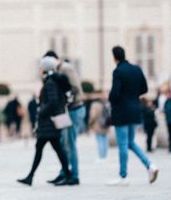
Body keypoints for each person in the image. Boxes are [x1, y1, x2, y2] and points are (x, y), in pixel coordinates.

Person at [17, 57, 74, 187]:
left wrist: (41, 111)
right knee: (52, 149)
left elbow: (52, 102)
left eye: (41, 66)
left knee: (49, 149)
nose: (39, 69)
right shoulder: (52, 80)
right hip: (49, 123)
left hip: (48, 122)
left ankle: (31, 176)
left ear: (46, 68)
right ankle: (32, 176)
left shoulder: (50, 82)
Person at [106, 46, 158, 186]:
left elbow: (115, 93)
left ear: (114, 57)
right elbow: (145, 89)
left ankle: (123, 176)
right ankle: (150, 165)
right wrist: (132, 95)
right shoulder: (136, 69)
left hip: (121, 112)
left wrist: (111, 97)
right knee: (130, 142)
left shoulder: (118, 71)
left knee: (123, 144)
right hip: (135, 109)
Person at [44, 51, 86, 186]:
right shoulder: (58, 71)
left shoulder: (66, 68)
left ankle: (74, 175)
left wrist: (63, 96)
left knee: (70, 143)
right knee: (63, 142)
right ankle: (64, 172)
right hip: (66, 110)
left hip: (74, 109)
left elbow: (76, 88)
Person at [88, 93, 110, 161]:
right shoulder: (106, 103)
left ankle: (101, 156)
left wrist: (90, 123)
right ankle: (105, 155)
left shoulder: (95, 105)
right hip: (106, 124)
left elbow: (93, 116)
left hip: (98, 125)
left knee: (100, 140)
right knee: (105, 140)